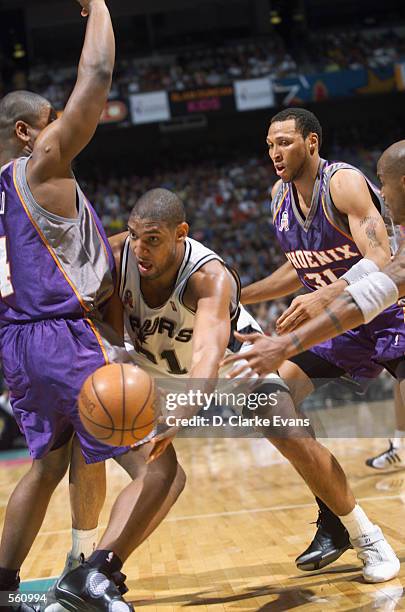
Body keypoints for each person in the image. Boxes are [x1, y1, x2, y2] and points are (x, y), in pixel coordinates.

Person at [90, 187, 400, 587]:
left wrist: (181, 412)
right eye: (134, 236)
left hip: (230, 358)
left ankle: (365, 534)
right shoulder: (118, 256)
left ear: (180, 233)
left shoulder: (209, 277)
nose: (140, 249)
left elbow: (206, 356)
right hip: (154, 365)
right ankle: (97, 568)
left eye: (152, 239)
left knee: (287, 432)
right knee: (157, 470)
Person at [0, 2, 184, 611]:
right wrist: (99, 5)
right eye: (51, 121)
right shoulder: (41, 166)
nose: (63, 131)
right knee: (162, 467)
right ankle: (94, 580)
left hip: (17, 346)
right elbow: (98, 74)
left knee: (50, 465)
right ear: (27, 133)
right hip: (61, 336)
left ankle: (2, 588)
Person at [223, 108, 405, 573]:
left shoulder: (341, 183)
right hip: (340, 327)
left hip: (389, 313)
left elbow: (382, 255)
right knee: (267, 400)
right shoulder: (278, 198)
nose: (274, 152)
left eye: (284, 142)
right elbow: (300, 265)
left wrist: (322, 293)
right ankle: (337, 518)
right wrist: (239, 291)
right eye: (269, 144)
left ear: (311, 144)